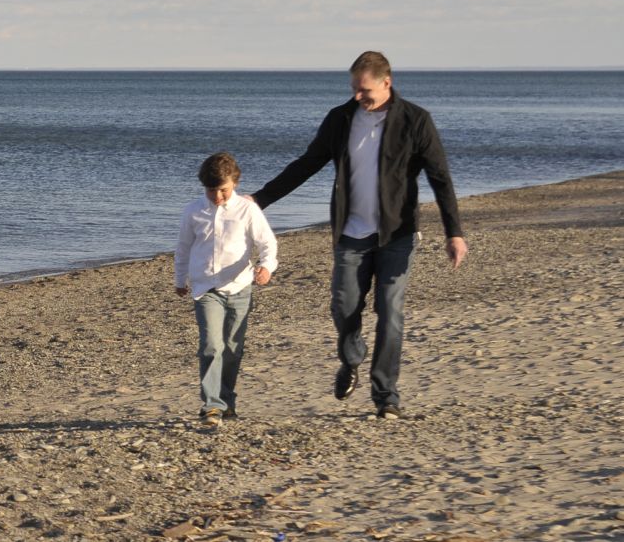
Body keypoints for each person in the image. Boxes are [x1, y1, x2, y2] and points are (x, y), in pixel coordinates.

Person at [250, 51, 467, 419]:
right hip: (350, 233)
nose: (357, 97)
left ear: (387, 82)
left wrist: (454, 233)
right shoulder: (341, 119)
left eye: (364, 90)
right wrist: (258, 201)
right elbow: (307, 163)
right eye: (353, 89)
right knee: (344, 306)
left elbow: (440, 177)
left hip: (396, 234)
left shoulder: (416, 120)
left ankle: (386, 397)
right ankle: (351, 358)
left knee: (391, 312)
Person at [174, 152, 278, 426]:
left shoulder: (247, 210)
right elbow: (183, 248)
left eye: (223, 190)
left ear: (234, 183)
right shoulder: (194, 211)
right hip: (205, 287)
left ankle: (227, 400)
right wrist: (179, 279)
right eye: (212, 190)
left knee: (233, 348)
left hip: (240, 286)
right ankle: (211, 405)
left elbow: (267, 243)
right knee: (211, 346)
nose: (218, 196)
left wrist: (266, 267)